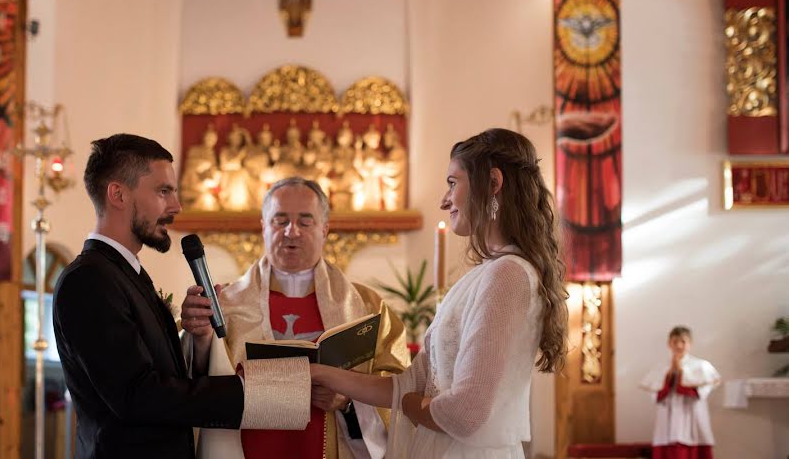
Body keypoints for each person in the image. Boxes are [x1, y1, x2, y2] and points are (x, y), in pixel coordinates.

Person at [309, 128, 569, 458]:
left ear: (492, 183)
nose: (444, 200)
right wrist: (320, 373)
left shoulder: (507, 275)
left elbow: (465, 413)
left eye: (452, 182)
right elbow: (410, 384)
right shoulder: (489, 273)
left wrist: (407, 404)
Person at [53, 134, 311, 459]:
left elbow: (160, 377)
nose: (176, 206)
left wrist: (198, 337)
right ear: (118, 194)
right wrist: (263, 392)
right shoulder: (88, 281)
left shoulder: (127, 275)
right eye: (163, 192)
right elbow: (138, 396)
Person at [183, 176, 410, 458]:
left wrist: (348, 402)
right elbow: (197, 379)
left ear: (324, 229)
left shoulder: (368, 307)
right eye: (280, 221)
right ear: (263, 227)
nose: (292, 232)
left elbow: (399, 390)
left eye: (305, 222)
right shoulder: (224, 304)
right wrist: (200, 337)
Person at [640, 326, 721, 459]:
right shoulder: (661, 368)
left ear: (690, 344)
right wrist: (670, 375)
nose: (679, 345)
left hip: (692, 415)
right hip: (668, 418)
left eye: (683, 341)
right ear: (669, 343)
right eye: (675, 341)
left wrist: (682, 373)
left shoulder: (701, 366)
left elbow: (702, 392)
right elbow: (656, 396)